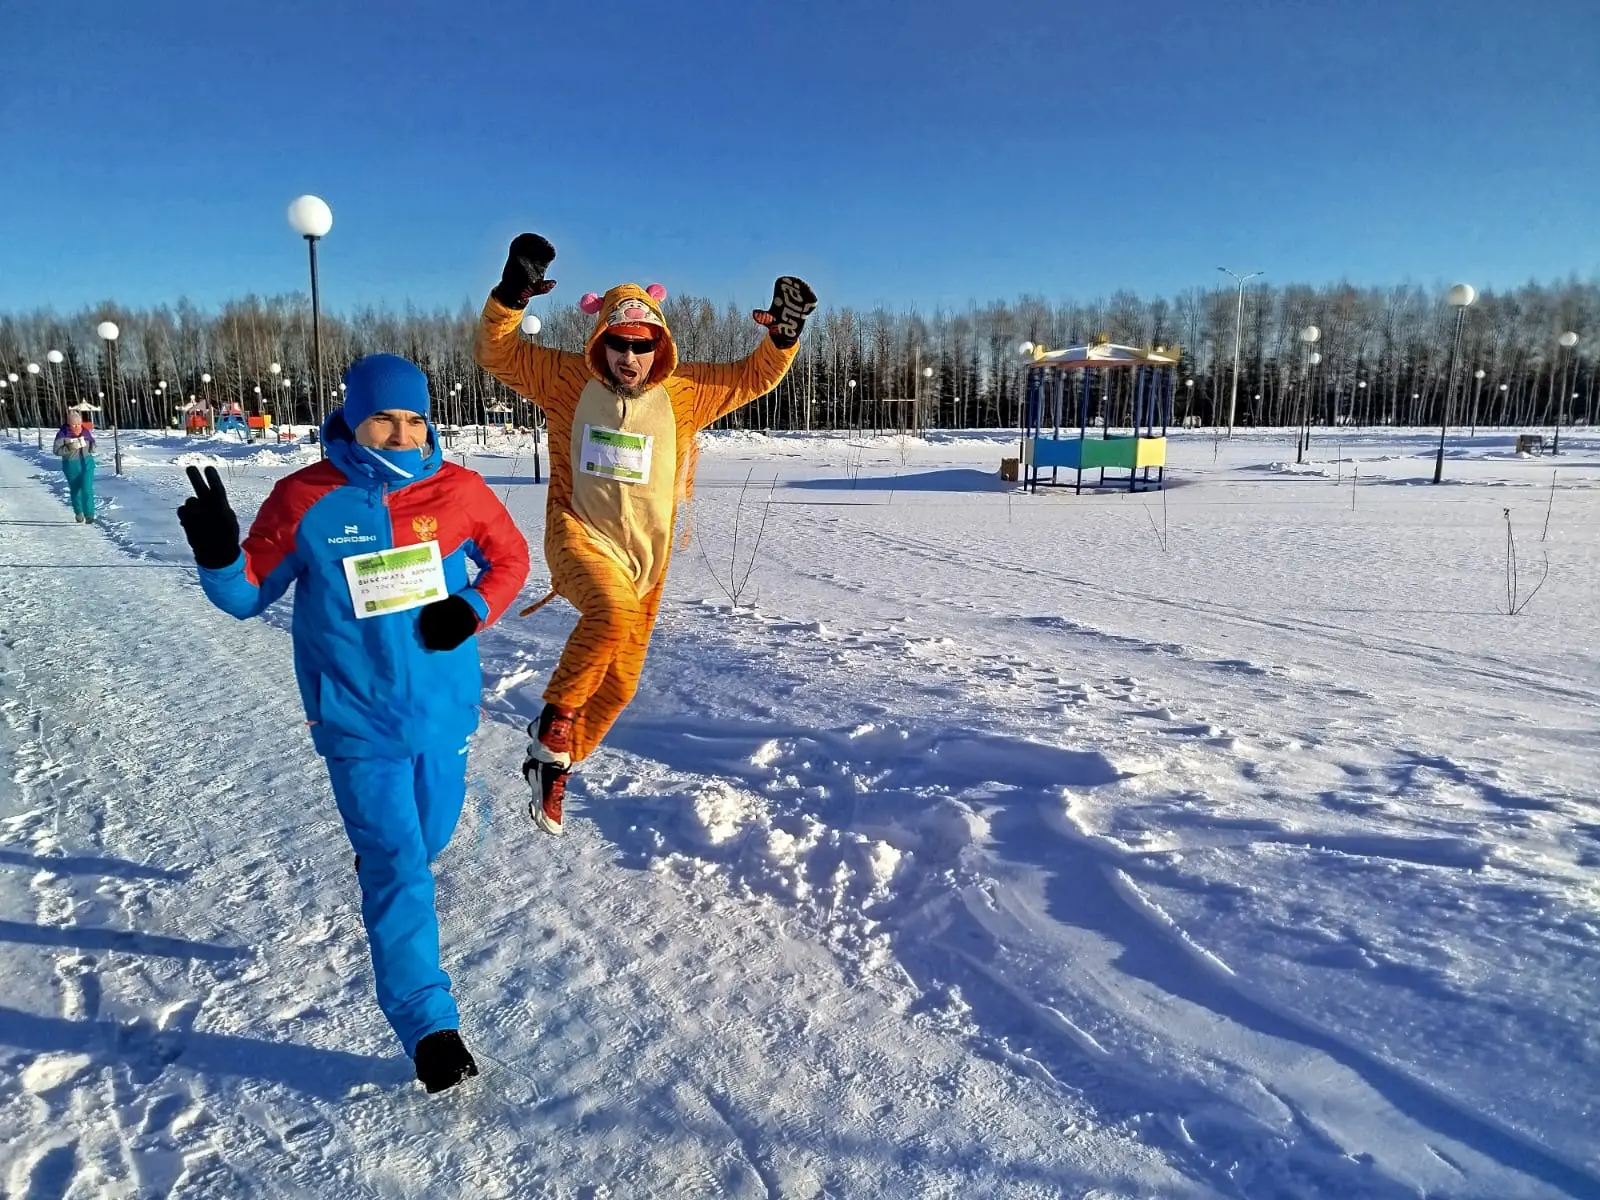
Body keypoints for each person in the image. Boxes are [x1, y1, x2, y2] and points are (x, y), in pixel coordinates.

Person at [176, 354, 530, 1094]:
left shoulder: (459, 491)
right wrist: (216, 556)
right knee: (401, 862)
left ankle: (382, 867)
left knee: (426, 842)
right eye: (384, 418)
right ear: (353, 416)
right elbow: (247, 596)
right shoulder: (305, 497)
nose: (400, 433)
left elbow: (510, 559)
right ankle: (429, 1026)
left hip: (441, 713)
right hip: (355, 720)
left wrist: (470, 610)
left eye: (413, 419)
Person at [475, 234, 816, 836]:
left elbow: (754, 376)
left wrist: (783, 336)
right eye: (618, 344)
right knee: (607, 616)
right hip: (579, 534)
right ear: (600, 341)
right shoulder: (563, 380)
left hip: (647, 560)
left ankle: (555, 765)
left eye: (641, 345)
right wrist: (512, 293)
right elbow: (497, 353)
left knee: (621, 686)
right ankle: (552, 721)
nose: (628, 357)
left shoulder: (684, 394)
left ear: (659, 346)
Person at [53, 407, 96, 523]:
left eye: (79, 423)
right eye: (74, 424)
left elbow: (92, 442)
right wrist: (69, 447)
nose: (77, 426)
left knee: (87, 488)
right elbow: (56, 451)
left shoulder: (85, 431)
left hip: (87, 463)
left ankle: (89, 514)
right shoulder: (62, 434)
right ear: (69, 424)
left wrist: (92, 447)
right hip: (71, 465)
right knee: (76, 490)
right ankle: (78, 512)